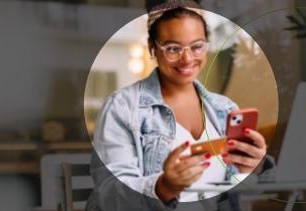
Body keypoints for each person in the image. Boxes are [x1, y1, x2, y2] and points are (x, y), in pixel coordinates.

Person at [86, 2, 274, 211]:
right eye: (173, 48)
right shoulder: (122, 107)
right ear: (152, 47)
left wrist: (254, 168)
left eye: (197, 46)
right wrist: (164, 187)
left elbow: (241, 196)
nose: (187, 59)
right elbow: (109, 196)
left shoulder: (225, 109)